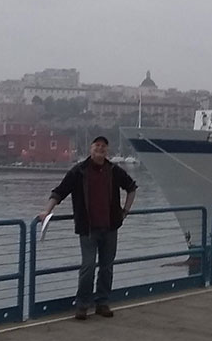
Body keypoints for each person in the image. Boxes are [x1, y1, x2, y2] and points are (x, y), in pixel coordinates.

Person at [38, 135, 138, 320]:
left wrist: (125, 211)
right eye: (97, 145)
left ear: (107, 150)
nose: (100, 148)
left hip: (110, 227)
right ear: (90, 149)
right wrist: (46, 211)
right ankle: (82, 304)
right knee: (88, 266)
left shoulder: (114, 170)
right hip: (88, 229)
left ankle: (102, 303)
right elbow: (59, 192)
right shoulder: (79, 171)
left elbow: (131, 188)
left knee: (107, 267)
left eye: (104, 146)